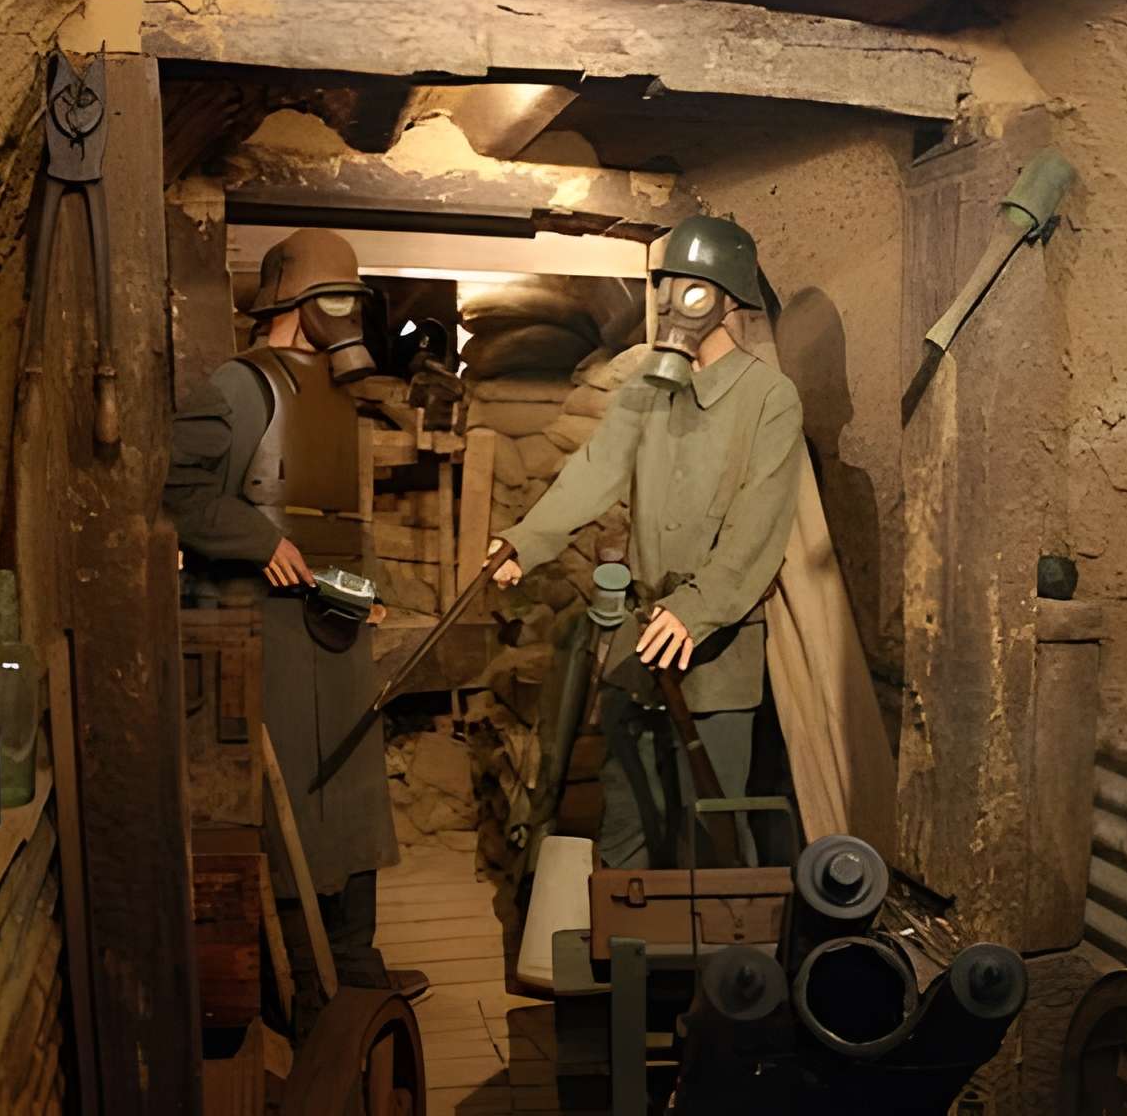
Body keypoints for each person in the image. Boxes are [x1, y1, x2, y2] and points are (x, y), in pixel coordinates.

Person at [491, 216, 803, 868]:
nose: (674, 306)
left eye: (693, 290)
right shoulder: (645, 388)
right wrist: (525, 542)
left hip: (714, 657)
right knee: (627, 820)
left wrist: (694, 610)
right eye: (668, 289)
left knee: (709, 832)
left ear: (728, 298)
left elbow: (758, 531)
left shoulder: (769, 398)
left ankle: (714, 970)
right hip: (639, 643)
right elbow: (595, 469)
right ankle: (622, 962)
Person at [165, 228, 426, 997]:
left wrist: (365, 589)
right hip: (263, 630)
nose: (347, 316)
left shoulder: (337, 391)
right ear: (295, 303)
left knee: (352, 799)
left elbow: (337, 510)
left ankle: (354, 960)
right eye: (333, 299)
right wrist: (254, 538)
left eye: (353, 301)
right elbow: (177, 490)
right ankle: (299, 978)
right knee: (288, 813)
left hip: (332, 622)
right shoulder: (241, 387)